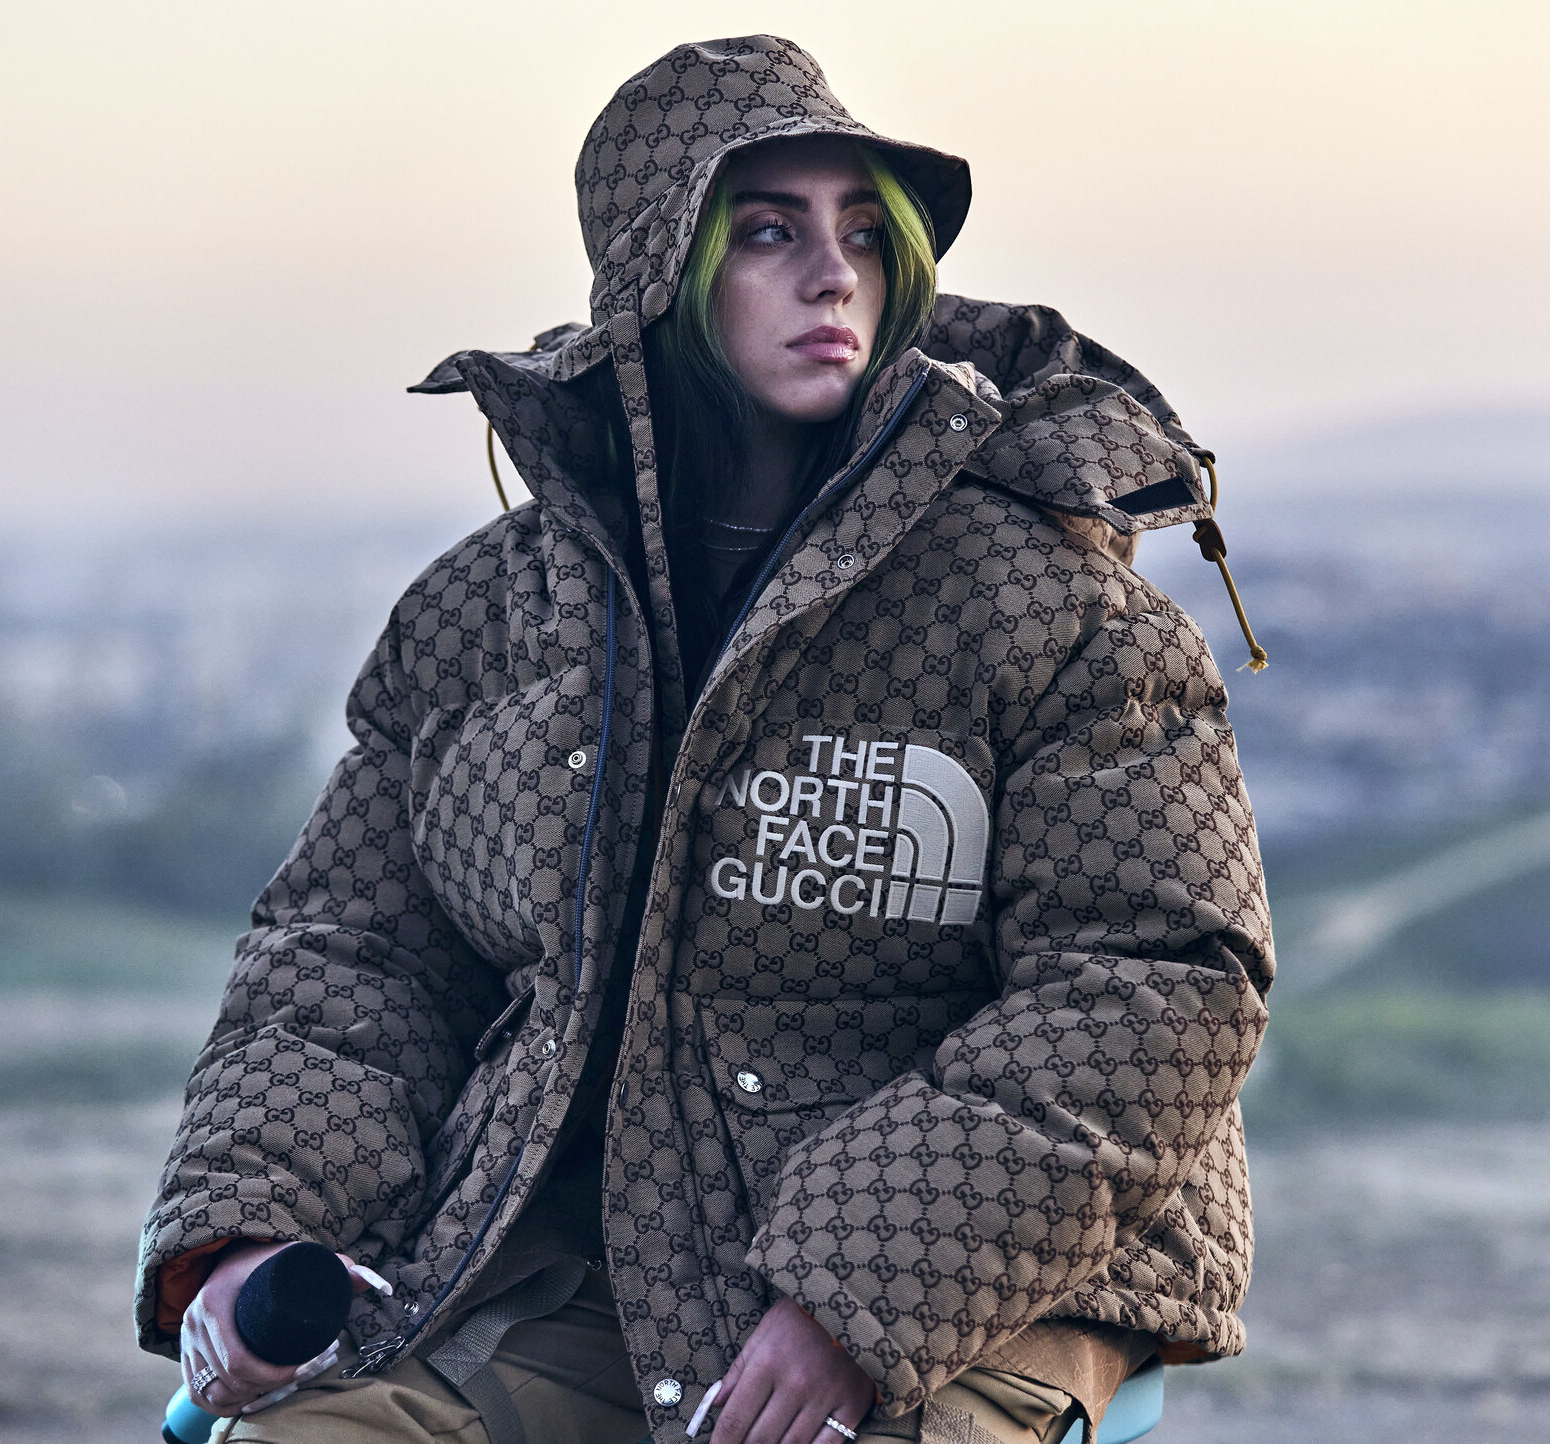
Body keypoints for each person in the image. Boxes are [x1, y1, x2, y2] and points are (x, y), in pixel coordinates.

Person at [137, 35, 1273, 1444]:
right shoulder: (488, 616)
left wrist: (859, 1298)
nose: (833, 273)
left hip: (992, 1284)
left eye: (866, 233)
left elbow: (1159, 985)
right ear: (657, 278)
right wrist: (255, 1235)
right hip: (589, 1263)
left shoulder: (1050, 605)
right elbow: (351, 957)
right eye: (769, 234)